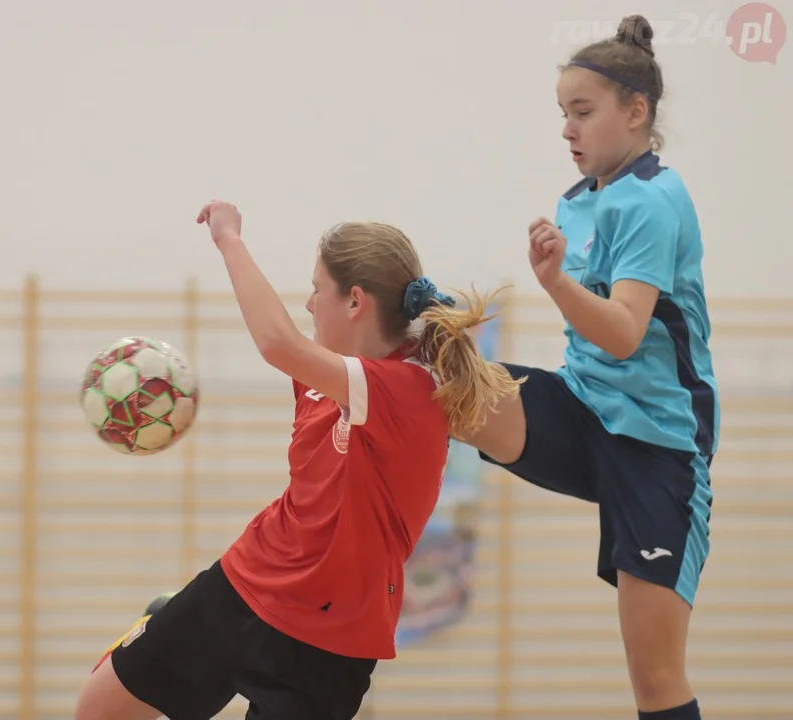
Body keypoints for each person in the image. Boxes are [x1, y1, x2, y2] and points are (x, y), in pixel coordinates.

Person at [75, 203, 521, 720]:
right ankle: (169, 617)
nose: (308, 305)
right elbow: (289, 349)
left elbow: (274, 341)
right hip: (247, 586)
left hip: (329, 648)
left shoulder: (407, 390)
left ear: (355, 301)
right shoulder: (321, 374)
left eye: (316, 289)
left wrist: (229, 240)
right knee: (97, 710)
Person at [457, 15, 718, 720]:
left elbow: (628, 332)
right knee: (446, 386)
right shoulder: (579, 203)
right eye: (562, 116)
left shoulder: (655, 200)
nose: (568, 131)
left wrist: (556, 285)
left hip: (657, 449)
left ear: (637, 112)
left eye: (582, 112)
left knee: (656, 679)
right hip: (584, 408)